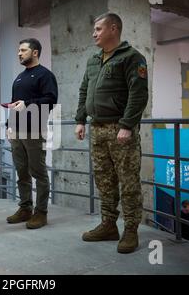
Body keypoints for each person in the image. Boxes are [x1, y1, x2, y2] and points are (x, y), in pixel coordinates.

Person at [75, 13, 149, 254]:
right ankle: (108, 225)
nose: (94, 33)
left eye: (98, 29)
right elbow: (84, 90)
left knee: (128, 182)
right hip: (97, 129)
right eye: (94, 29)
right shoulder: (94, 59)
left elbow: (138, 94)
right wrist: (80, 120)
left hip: (120, 130)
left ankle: (130, 230)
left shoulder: (132, 57)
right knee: (104, 181)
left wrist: (127, 125)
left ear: (113, 29)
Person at [6, 38, 58, 229]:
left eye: (23, 50)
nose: (19, 53)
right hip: (17, 132)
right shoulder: (19, 78)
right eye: (19, 50)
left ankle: (41, 213)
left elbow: (51, 100)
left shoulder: (45, 75)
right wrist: (8, 125)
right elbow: (14, 103)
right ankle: (25, 208)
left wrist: (28, 104)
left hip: (34, 131)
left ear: (35, 52)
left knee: (39, 173)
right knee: (22, 173)